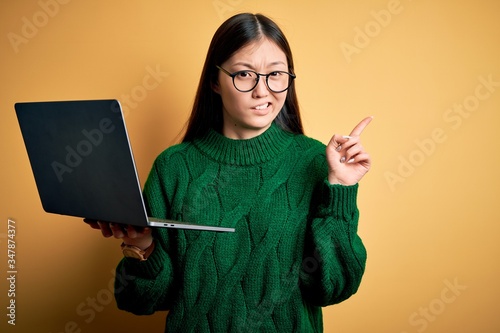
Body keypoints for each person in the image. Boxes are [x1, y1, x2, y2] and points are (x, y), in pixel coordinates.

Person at [85, 12, 372, 333]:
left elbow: (334, 286)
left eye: (276, 74)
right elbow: (139, 300)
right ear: (214, 81)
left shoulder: (315, 162)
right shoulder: (174, 167)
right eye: (245, 74)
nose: (263, 91)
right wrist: (141, 242)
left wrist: (340, 190)